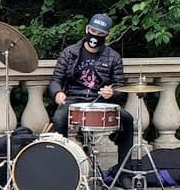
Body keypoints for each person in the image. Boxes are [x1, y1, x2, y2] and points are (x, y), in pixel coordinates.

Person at [47, 12, 134, 167]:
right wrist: (57, 93)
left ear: (107, 35)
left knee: (127, 119)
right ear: (87, 29)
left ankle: (124, 169)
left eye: (100, 34)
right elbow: (56, 80)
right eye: (93, 31)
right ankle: (61, 165)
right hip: (73, 99)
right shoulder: (70, 52)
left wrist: (112, 92)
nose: (95, 36)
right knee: (59, 119)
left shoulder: (113, 57)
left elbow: (120, 87)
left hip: (100, 101)